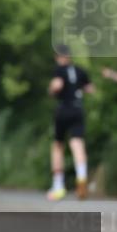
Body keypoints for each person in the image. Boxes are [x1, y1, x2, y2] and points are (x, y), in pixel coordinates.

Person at [48, 45, 95, 201]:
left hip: (63, 110)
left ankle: (58, 186)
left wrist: (51, 91)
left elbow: (57, 86)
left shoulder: (59, 70)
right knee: (77, 144)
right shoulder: (80, 71)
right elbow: (90, 89)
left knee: (58, 145)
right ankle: (81, 178)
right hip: (78, 110)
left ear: (58, 57)